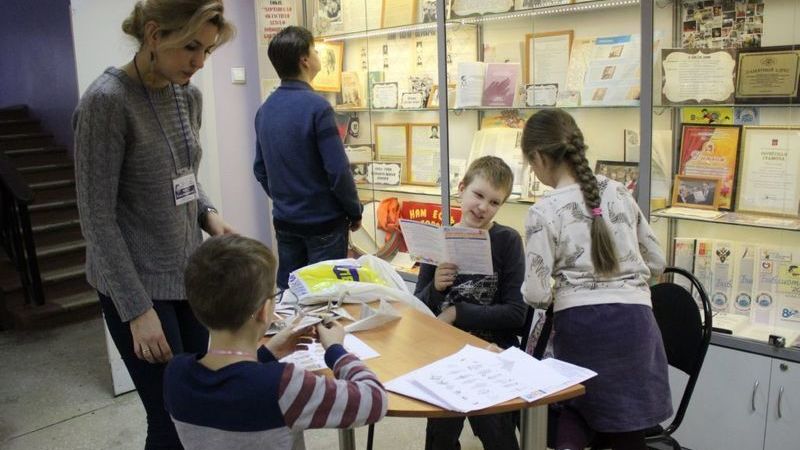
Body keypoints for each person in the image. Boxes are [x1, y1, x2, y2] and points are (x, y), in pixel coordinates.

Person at [72, 1, 236, 448]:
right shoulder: (106, 103)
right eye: (190, 47)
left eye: (207, 50)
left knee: (196, 407)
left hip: (186, 275)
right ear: (153, 35)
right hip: (135, 284)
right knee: (169, 419)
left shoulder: (187, 95)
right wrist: (137, 311)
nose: (199, 63)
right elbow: (97, 218)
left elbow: (184, 176)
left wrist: (209, 215)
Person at [519, 109, 671, 450]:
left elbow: (536, 294)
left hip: (582, 328)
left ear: (539, 158)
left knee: (575, 408)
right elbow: (657, 261)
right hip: (637, 326)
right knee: (628, 425)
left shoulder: (543, 211)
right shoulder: (619, 191)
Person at [164, 234, 387, 449]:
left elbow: (231, 388)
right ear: (264, 311)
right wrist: (336, 350)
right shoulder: (284, 386)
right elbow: (375, 400)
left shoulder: (175, 375)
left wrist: (267, 354)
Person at [414, 156, 526, 450]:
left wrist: (457, 312)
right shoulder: (439, 239)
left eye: (494, 202)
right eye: (478, 195)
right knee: (440, 439)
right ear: (461, 188)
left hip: (493, 355)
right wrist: (436, 289)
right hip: (445, 355)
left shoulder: (508, 241)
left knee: (499, 437)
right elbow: (418, 310)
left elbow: (516, 313)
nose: (483, 207)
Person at [254, 26, 362, 289]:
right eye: (314, 50)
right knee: (326, 298)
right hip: (324, 225)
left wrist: (287, 200)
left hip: (285, 222)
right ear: (304, 60)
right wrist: (354, 210)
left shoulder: (265, 110)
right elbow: (338, 171)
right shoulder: (318, 107)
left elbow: (260, 169)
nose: (317, 55)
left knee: (291, 293)